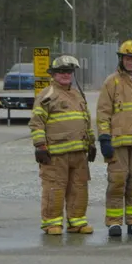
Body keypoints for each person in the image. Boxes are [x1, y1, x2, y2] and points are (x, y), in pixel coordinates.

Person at [28, 55, 96, 235]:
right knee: (54, 188)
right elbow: (37, 122)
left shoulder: (77, 94)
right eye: (61, 72)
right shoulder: (47, 94)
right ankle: (52, 223)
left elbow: (86, 120)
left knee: (79, 188)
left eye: (68, 72)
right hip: (55, 154)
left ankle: (77, 222)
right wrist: (40, 146)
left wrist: (91, 143)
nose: (65, 75)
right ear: (54, 74)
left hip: (79, 153)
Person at [97, 39, 132, 237]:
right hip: (118, 142)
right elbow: (103, 112)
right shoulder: (111, 82)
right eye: (126, 58)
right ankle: (114, 223)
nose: (129, 61)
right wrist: (104, 137)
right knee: (117, 182)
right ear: (121, 59)